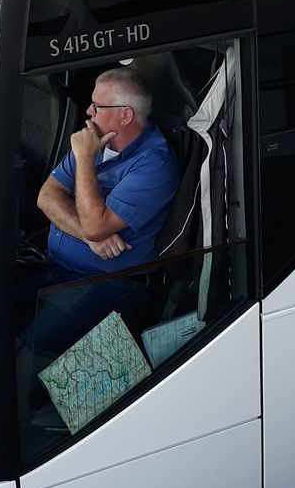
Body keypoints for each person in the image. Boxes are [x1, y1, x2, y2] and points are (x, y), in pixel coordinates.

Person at [17, 67, 179, 358]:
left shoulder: (154, 165)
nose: (88, 111)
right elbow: (46, 196)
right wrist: (88, 236)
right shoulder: (98, 141)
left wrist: (84, 159)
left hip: (109, 281)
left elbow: (95, 226)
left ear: (125, 115)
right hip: (60, 265)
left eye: (97, 106)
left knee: (34, 346)